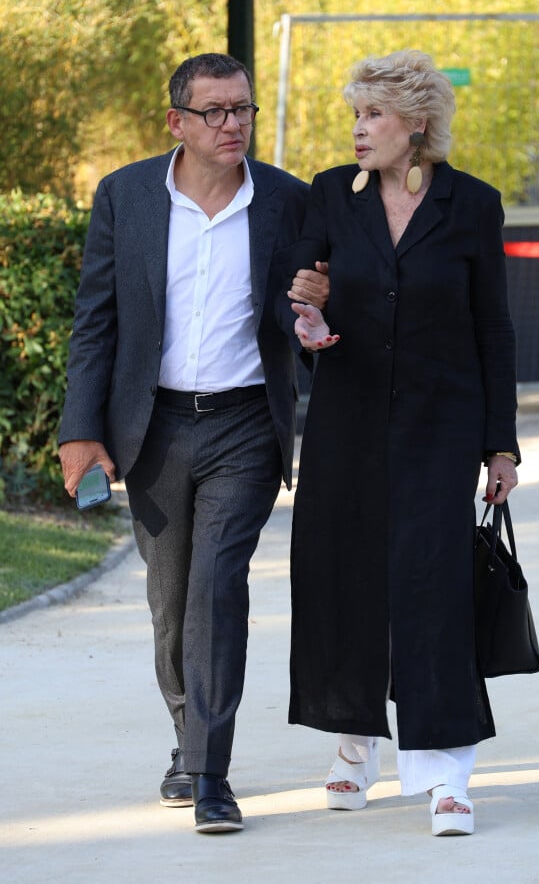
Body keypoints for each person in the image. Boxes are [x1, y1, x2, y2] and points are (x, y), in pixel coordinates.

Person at [58, 53, 326, 834]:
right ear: (177, 120)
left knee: (216, 589)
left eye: (241, 108)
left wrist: (309, 323)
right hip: (154, 427)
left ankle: (212, 772)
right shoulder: (127, 196)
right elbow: (96, 321)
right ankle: (187, 736)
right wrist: (81, 431)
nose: (233, 123)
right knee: (171, 603)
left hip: (245, 423)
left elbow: (293, 316)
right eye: (214, 111)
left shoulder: (286, 200)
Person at [286, 49, 520, 836]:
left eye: (373, 115)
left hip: (439, 425)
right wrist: (309, 325)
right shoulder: (328, 195)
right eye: (355, 114)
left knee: (432, 589)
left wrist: (501, 445)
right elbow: (304, 299)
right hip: (346, 420)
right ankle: (355, 743)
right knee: (345, 578)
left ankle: (446, 772)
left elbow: (493, 327)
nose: (358, 129)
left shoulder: (473, 205)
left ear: (416, 122)